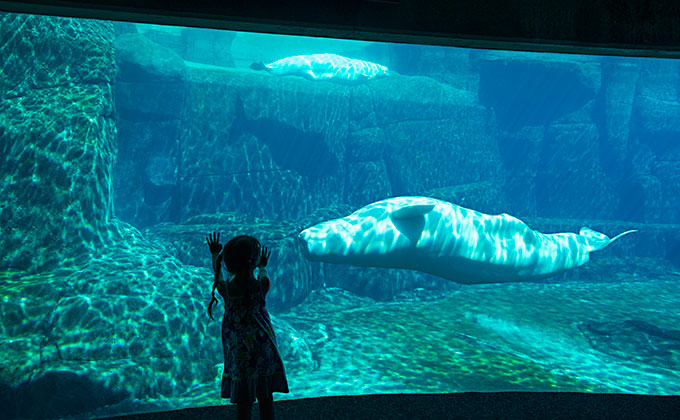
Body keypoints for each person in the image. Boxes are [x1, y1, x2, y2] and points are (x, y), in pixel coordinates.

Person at [206, 232, 289, 420]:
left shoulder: (227, 290)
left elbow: (218, 277)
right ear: (254, 261)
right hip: (263, 349)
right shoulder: (261, 285)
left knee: (243, 402)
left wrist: (214, 255)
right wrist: (263, 267)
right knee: (266, 397)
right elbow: (265, 276)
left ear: (229, 264)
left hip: (240, 353)